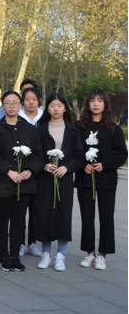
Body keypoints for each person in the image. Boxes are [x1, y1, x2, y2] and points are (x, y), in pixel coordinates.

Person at [0, 90, 44, 273]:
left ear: (20, 106)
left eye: (14, 103)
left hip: (24, 183)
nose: (11, 106)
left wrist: (29, 170)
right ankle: (4, 257)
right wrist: (8, 171)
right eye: (7, 103)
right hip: (1, 183)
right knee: (1, 221)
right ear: (2, 106)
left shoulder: (31, 130)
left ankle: (15, 257)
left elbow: (38, 155)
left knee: (19, 221)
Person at [76, 90, 127, 271]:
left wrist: (104, 165)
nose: (96, 104)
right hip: (85, 178)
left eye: (100, 101)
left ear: (105, 104)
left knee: (106, 217)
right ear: (88, 104)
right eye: (92, 100)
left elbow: (121, 155)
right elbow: (74, 150)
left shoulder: (113, 128)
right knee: (87, 216)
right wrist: (83, 165)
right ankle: (89, 252)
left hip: (106, 179)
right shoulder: (79, 127)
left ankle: (102, 254)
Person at [34, 94, 84, 272]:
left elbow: (79, 156)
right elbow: (35, 154)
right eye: (52, 105)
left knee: (64, 214)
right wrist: (44, 165)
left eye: (59, 105)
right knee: (44, 214)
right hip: (45, 179)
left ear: (64, 108)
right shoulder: (40, 129)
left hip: (64, 179)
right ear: (47, 108)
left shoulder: (73, 130)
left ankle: (61, 255)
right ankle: (46, 254)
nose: (56, 109)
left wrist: (67, 168)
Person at [18, 86, 44, 257]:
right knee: (20, 210)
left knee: (36, 209)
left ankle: (33, 242)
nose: (31, 102)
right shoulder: (18, 119)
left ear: (39, 101)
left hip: (40, 171)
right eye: (27, 99)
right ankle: (19, 242)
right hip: (21, 171)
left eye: (34, 99)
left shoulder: (44, 118)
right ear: (23, 102)